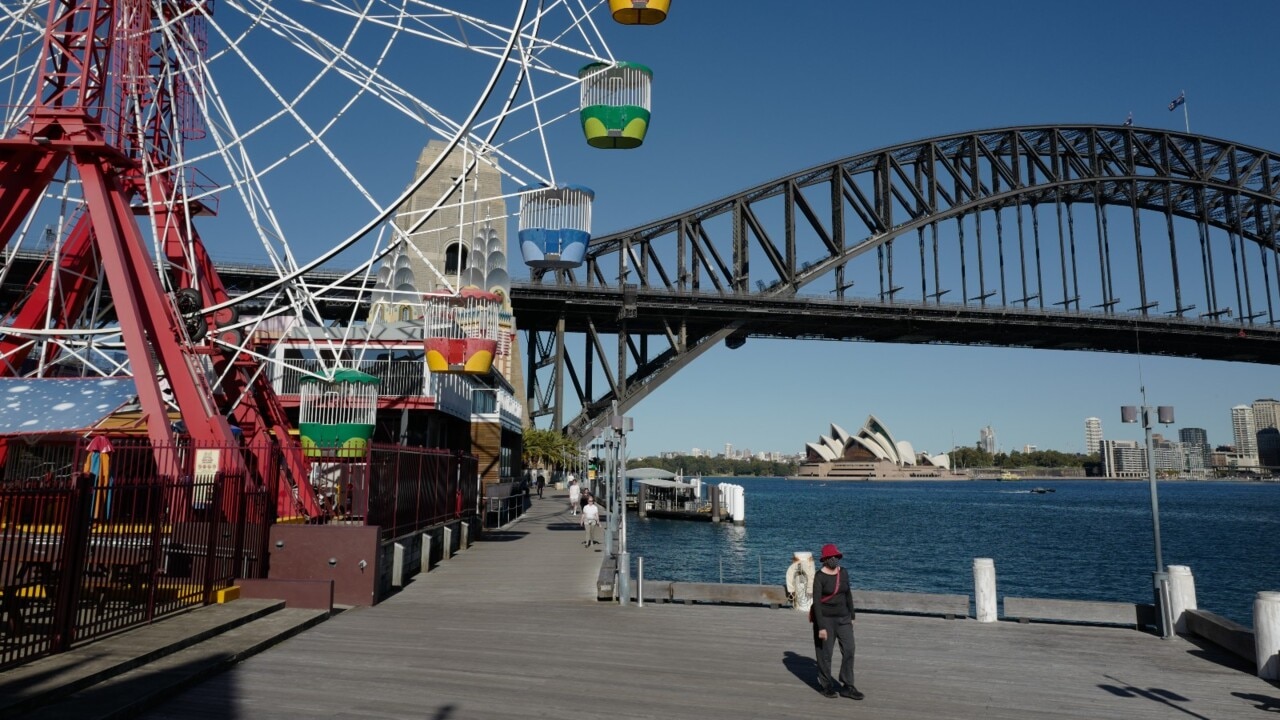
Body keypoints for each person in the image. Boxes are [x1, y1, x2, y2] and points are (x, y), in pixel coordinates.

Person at [810, 543, 862, 700]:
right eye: (830, 557)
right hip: (825, 619)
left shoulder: (844, 573)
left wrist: (852, 616)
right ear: (825, 560)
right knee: (825, 654)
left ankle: (848, 685)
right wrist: (821, 627)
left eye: (836, 557)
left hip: (844, 617)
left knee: (850, 649)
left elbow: (848, 595)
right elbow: (817, 603)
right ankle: (826, 685)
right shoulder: (819, 577)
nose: (834, 559)